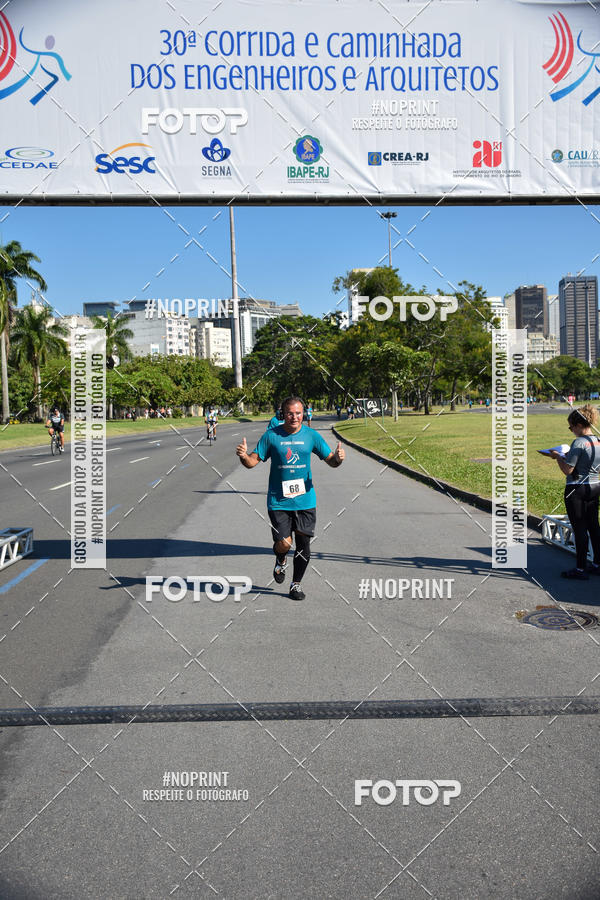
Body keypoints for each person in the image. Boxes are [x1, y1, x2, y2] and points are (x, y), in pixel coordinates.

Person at [235, 396, 345, 601]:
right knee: (284, 543)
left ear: (303, 414)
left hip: (306, 500)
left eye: (298, 413)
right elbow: (252, 462)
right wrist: (243, 456)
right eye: (290, 413)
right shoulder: (271, 436)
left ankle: (296, 584)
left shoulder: (311, 435)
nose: (294, 417)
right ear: (283, 414)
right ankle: (281, 558)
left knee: (303, 544)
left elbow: (331, 461)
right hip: (278, 501)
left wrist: (338, 459)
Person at [549, 405, 600, 580]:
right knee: (594, 526)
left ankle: (580, 569)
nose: (571, 430)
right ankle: (597, 564)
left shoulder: (579, 442)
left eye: (571, 427)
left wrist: (557, 457)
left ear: (579, 425)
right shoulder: (597, 440)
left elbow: (568, 470)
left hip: (576, 489)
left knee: (580, 528)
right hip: (595, 486)